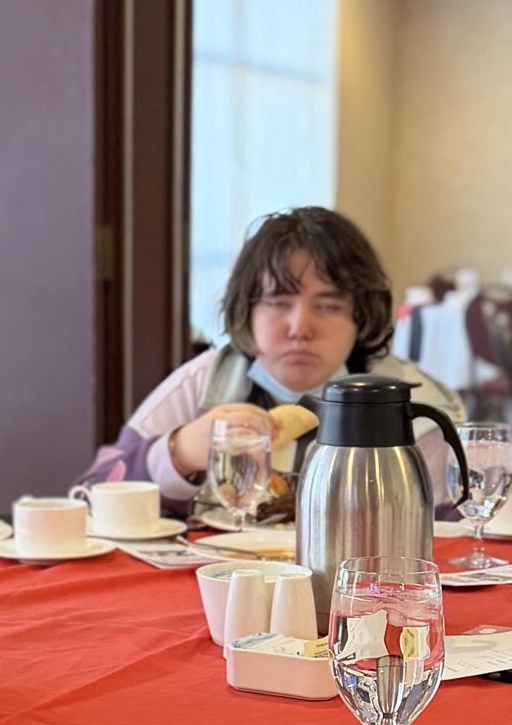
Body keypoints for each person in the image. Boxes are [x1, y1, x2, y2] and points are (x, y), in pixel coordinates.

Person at [81, 208, 465, 519]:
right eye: (278, 303)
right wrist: (179, 452)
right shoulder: (205, 383)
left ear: (361, 316)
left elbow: (460, 536)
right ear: (246, 312)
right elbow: (89, 499)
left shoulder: (418, 409)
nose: (299, 328)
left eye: (328, 306)